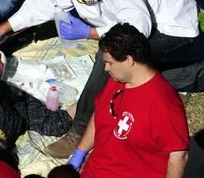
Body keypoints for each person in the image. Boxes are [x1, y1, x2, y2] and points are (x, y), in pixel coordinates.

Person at [0, 0, 204, 157]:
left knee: (109, 58)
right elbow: (46, 1)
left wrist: (90, 33)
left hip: (171, 27)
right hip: (136, 23)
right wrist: (1, 28)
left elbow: (137, 27)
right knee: (134, 80)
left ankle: (79, 130)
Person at [67, 23, 189, 177]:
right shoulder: (116, 81)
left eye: (109, 63)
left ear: (129, 60)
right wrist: (80, 153)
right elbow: (99, 114)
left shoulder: (163, 103)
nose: (105, 69)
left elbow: (178, 155)